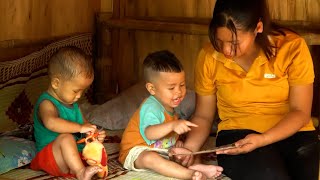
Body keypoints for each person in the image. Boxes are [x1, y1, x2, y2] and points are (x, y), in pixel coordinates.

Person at [171, 0, 320, 179]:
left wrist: (263, 139)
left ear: (258, 27)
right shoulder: (208, 56)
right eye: (219, 41)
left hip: (294, 132)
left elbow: (300, 112)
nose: (226, 50)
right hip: (237, 135)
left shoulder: (292, 47)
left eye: (234, 43)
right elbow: (203, 115)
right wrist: (190, 149)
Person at [119, 50, 223, 180]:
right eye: (171, 88)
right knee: (150, 158)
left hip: (161, 150)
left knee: (190, 151)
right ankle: (189, 174)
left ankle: (197, 167)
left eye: (182, 85)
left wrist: (177, 142)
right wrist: (173, 125)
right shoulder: (151, 107)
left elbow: (168, 135)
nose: (179, 92)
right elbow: (149, 133)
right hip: (137, 151)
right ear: (152, 89)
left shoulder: (170, 106)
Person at [30, 47, 107, 180]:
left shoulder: (74, 105)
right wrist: (79, 128)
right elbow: (51, 123)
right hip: (52, 157)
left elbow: (84, 125)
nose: (79, 96)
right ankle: (81, 172)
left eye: (82, 91)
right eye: (75, 91)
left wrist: (93, 134)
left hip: (71, 156)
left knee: (91, 149)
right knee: (66, 138)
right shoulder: (47, 103)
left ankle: (82, 168)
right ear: (56, 83)